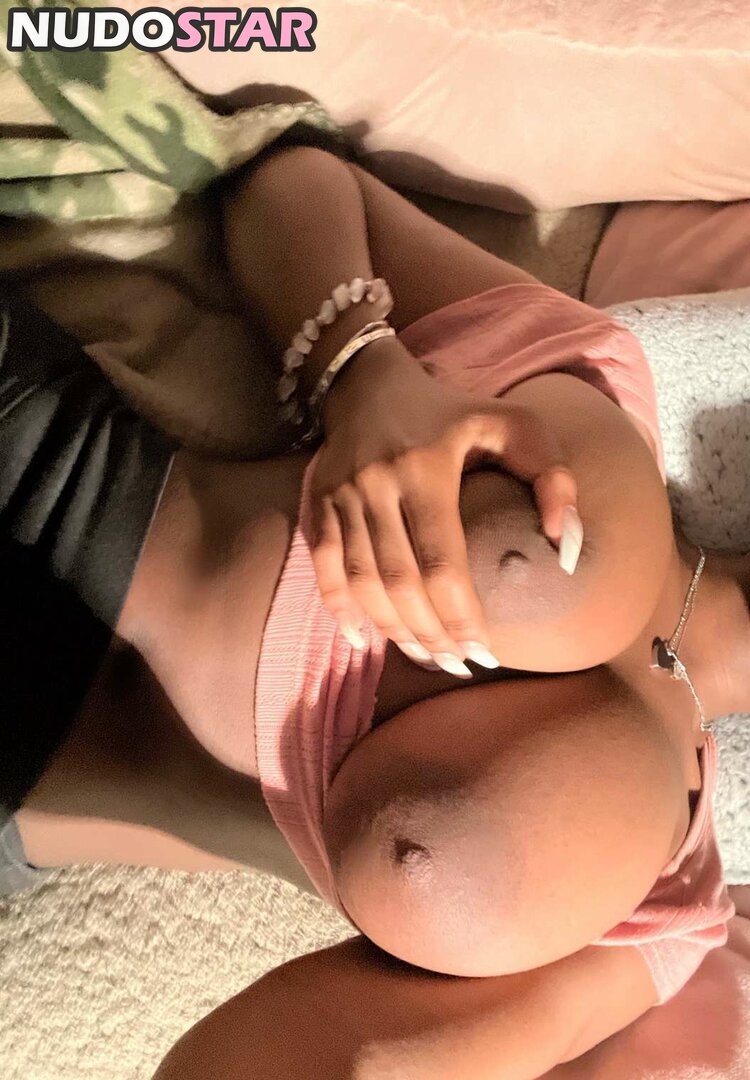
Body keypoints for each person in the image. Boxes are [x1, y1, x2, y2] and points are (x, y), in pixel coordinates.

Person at [1, 146, 740, 1077]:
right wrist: (362, 373)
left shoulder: (670, 913)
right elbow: (294, 181)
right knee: (581, 574)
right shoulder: (604, 377)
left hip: (31, 787)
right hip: (48, 474)